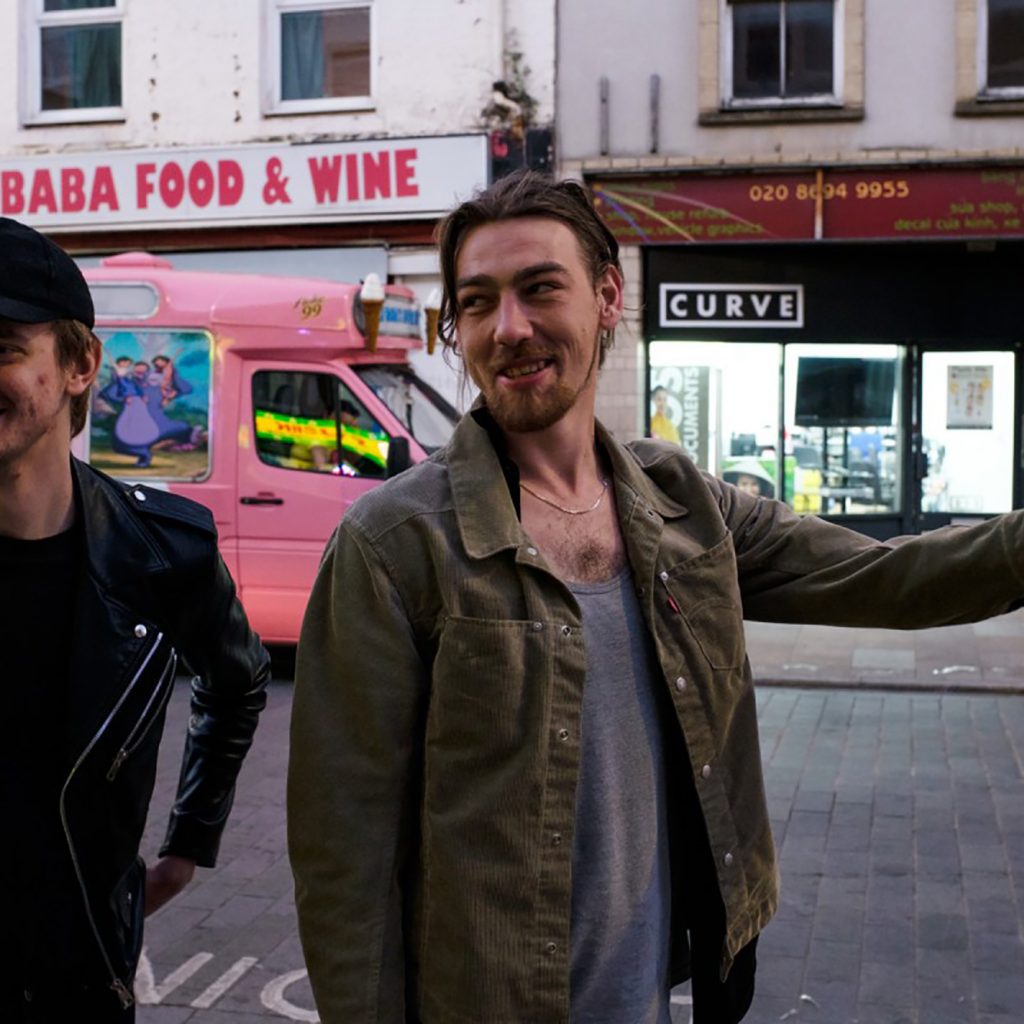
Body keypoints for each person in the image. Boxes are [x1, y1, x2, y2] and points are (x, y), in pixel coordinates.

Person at [287, 172, 1024, 1024]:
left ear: (607, 297)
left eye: (539, 288)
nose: (510, 327)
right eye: (478, 303)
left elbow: (888, 578)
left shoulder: (683, 505)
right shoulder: (393, 546)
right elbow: (346, 854)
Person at [0, 216, 271, 1021]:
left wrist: (190, 842)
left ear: (81, 364)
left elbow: (239, 678)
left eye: (4, 346)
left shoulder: (162, 555)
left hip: (80, 972)